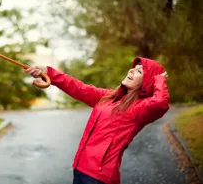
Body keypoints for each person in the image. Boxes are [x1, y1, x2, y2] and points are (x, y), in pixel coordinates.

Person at [25, 57, 169, 184]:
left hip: (98, 177)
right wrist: (49, 72)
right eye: (133, 68)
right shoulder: (109, 97)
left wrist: (159, 80)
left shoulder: (140, 108)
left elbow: (160, 103)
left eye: (139, 71)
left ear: (147, 83)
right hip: (80, 167)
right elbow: (79, 88)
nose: (131, 71)